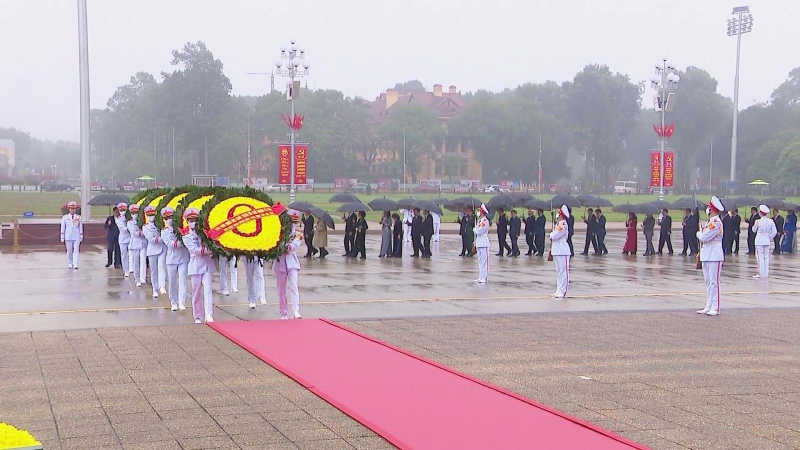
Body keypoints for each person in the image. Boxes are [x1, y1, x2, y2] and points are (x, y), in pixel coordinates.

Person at [183, 207, 215, 324]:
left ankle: (209, 314)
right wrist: (208, 250)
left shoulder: (204, 232)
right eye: (191, 220)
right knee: (196, 291)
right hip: (196, 264)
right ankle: (197, 316)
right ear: (187, 221)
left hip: (207, 264)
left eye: (195, 220)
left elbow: (211, 243)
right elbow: (195, 250)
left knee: (208, 289)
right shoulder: (186, 235)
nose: (193, 222)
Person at [697, 196, 725, 316]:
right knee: (708, 281)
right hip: (707, 253)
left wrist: (699, 233)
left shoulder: (716, 223)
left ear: (712, 209)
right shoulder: (710, 222)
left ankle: (716, 307)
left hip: (714, 254)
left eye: (709, 207)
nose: (707, 209)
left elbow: (704, 237)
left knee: (714, 282)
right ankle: (709, 305)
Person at [273, 212, 304, 319]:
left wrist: (285, 246)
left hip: (292, 263)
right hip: (280, 263)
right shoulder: (278, 233)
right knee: (281, 290)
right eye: (291, 222)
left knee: (294, 287)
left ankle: (296, 311)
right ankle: (284, 312)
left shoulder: (298, 233)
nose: (293, 224)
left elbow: (293, 246)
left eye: (295, 222)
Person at [160, 207, 188, 311]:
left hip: (183, 258)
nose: (169, 219)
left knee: (183, 281)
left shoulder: (181, 228)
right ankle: (173, 302)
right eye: (166, 218)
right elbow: (171, 244)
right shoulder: (164, 231)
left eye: (170, 217)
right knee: (172, 282)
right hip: (172, 259)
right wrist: (183, 242)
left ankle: (182, 302)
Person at [143, 206, 166, 298]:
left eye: (152, 215)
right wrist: (162, 238)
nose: (151, 216)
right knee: (154, 271)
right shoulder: (145, 227)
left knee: (161, 267)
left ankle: (162, 286)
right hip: (152, 250)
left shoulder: (160, 225)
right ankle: (155, 289)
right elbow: (152, 240)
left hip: (162, 249)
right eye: (149, 215)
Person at [550, 205, 571, 298]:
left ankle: (563, 291)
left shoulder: (563, 224)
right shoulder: (558, 224)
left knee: (564, 272)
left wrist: (551, 234)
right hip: (557, 249)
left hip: (563, 250)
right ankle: (558, 290)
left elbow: (555, 236)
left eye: (558, 213)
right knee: (559, 272)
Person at [753, 205, 777, 279]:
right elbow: (775, 232)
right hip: (766, 240)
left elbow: (753, 230)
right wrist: (769, 237)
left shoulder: (758, 221)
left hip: (759, 240)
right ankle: (766, 273)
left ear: (760, 212)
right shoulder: (771, 221)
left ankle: (760, 273)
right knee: (766, 257)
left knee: (760, 257)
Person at [127, 204, 148, 287]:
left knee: (143, 261)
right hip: (135, 243)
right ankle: (137, 279)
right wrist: (144, 232)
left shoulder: (142, 221)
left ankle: (143, 277)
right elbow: (135, 233)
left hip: (143, 243)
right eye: (133, 213)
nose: (134, 214)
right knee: (136, 262)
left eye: (136, 212)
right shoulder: (130, 223)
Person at [60, 201, 83, 269]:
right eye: (71, 208)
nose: (72, 210)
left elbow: (80, 227)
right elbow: (63, 227)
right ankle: (70, 263)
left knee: (76, 250)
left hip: (76, 236)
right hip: (68, 236)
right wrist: (62, 236)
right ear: (69, 209)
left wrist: (81, 236)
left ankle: (75, 263)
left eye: (74, 209)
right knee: (69, 251)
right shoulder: (65, 217)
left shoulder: (78, 217)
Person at [473, 204, 490, 283]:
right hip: (479, 242)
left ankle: (485, 277)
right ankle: (481, 276)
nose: (478, 212)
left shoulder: (485, 221)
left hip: (484, 242)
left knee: (484, 261)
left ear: (482, 212)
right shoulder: (480, 221)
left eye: (479, 211)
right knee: (480, 261)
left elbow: (480, 231)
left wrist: (475, 230)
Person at [115, 203, 130, 276]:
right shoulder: (118, 219)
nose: (122, 211)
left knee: (131, 254)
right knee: (124, 256)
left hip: (130, 238)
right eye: (121, 210)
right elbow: (123, 229)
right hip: (123, 239)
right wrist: (131, 228)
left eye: (124, 210)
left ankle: (131, 268)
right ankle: (126, 270)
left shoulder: (129, 217)